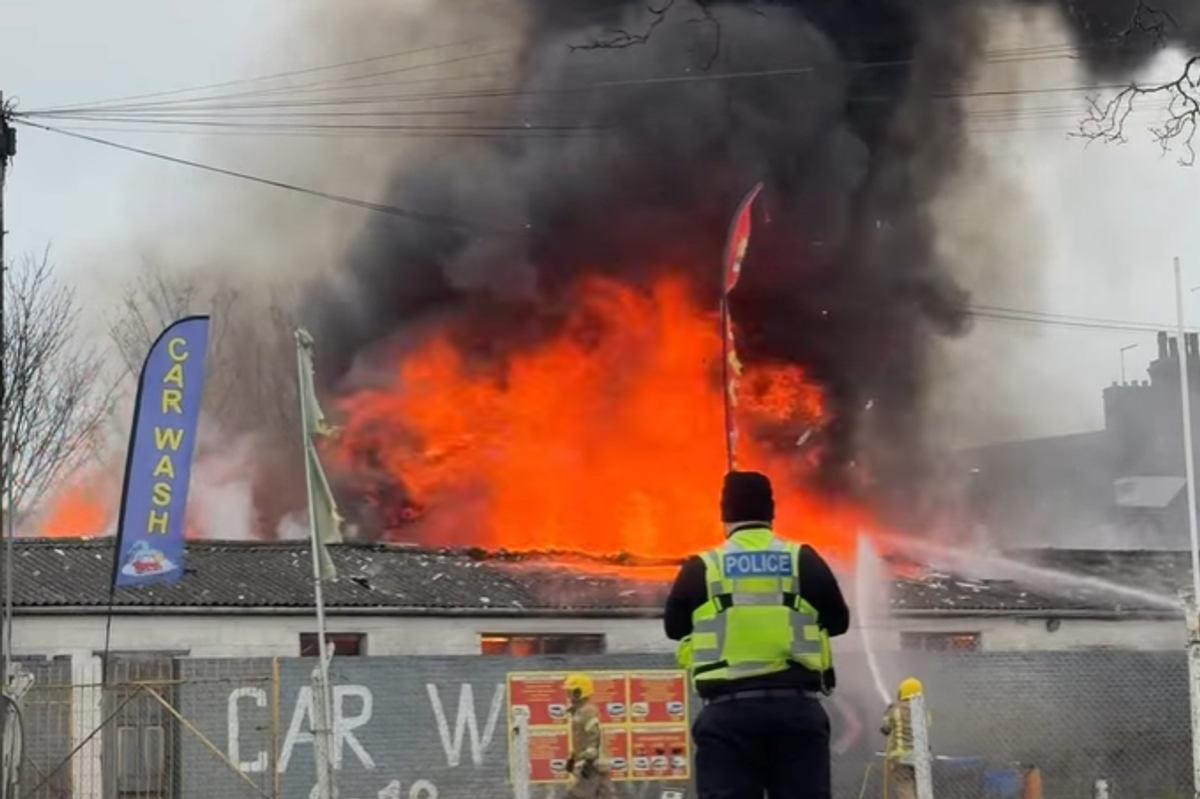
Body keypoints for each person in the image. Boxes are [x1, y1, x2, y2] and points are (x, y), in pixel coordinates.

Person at [664, 470, 851, 799]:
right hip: (797, 713)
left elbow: (675, 628)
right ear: (770, 513)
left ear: (725, 514)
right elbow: (838, 621)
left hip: (727, 717)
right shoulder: (802, 559)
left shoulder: (703, 567)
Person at [563, 673, 616, 799]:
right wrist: (573, 757)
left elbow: (595, 736)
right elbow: (583, 738)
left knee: (576, 795)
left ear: (578, 692)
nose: (568, 695)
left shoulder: (586, 712)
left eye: (570, 691)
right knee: (605, 795)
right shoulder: (581, 712)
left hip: (592, 765)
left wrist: (588, 761)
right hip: (596, 764)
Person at [881, 677, 931, 799]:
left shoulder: (895, 711)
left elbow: (886, 728)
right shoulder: (923, 712)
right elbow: (927, 725)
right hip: (921, 757)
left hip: (901, 757)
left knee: (905, 785)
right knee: (923, 787)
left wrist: (888, 713)